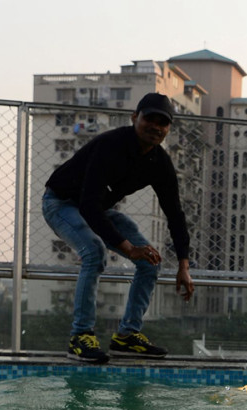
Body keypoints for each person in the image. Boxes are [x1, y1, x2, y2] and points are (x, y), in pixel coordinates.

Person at [42, 93, 195, 364]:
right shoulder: (110, 145)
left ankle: (126, 336)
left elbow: (175, 214)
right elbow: (88, 205)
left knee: (150, 261)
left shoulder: (160, 162)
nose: (156, 127)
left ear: (169, 128)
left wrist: (184, 264)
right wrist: (127, 248)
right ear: (135, 118)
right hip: (61, 204)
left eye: (163, 123)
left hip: (98, 210)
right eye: (150, 119)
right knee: (93, 250)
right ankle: (80, 336)